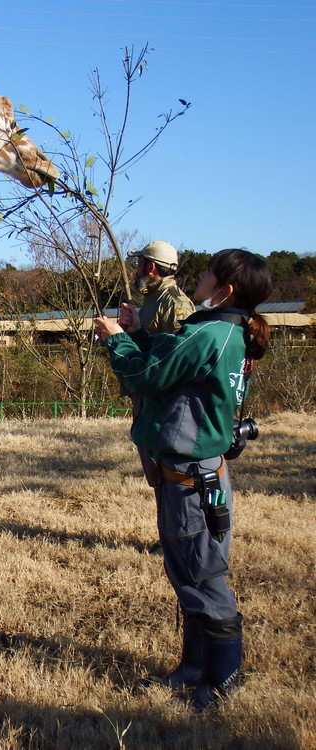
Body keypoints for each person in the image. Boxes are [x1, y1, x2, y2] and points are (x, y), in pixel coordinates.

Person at [93, 248, 273, 711]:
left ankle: (222, 680)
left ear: (225, 290)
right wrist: (136, 332)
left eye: (210, 272)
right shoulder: (224, 332)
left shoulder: (210, 332)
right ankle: (194, 669)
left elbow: (147, 374)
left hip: (193, 480)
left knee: (203, 574)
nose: (201, 276)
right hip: (197, 475)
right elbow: (171, 359)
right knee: (188, 572)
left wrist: (117, 339)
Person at [125, 241, 196, 496]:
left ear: (151, 266)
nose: (136, 269)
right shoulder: (153, 299)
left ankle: (175, 534)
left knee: (168, 472)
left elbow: (183, 358)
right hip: (146, 396)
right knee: (155, 474)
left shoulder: (175, 303)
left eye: (139, 263)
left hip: (163, 403)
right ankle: (167, 534)